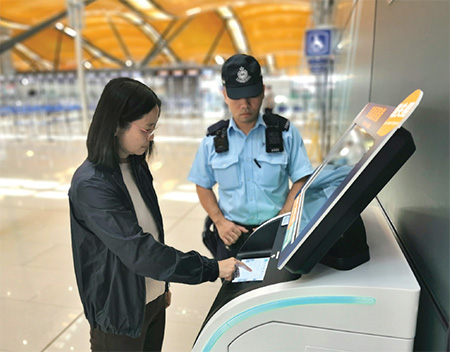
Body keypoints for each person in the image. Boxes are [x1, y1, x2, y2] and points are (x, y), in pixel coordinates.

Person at [68, 77, 249, 352]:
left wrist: (160, 288)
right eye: (146, 129)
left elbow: (150, 232)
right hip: (119, 315)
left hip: (151, 300)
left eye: (154, 128)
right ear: (117, 124)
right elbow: (139, 251)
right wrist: (212, 268)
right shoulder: (92, 185)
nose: (150, 137)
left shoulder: (135, 165)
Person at [188, 54, 314, 260]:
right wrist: (219, 222)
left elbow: (302, 178)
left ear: (263, 91)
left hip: (277, 232)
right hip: (232, 236)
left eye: (251, 95)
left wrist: (283, 219)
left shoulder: (285, 133)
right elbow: (202, 183)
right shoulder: (212, 140)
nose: (244, 104)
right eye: (236, 97)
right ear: (225, 95)